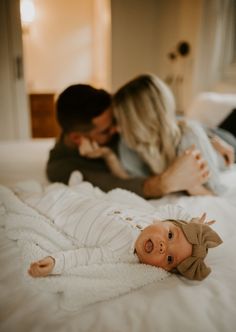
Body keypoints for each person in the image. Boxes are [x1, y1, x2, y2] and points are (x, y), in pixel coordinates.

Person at [27, 182, 222, 281]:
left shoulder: (122, 253)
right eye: (170, 235)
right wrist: (193, 222)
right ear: (165, 222)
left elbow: (85, 257)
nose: (164, 246)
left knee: (28, 199)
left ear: (165, 270)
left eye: (170, 259)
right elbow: (175, 210)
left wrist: (55, 262)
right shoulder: (154, 216)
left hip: (57, 212)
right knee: (68, 188)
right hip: (78, 199)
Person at [47, 84, 211, 198]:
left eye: (116, 120)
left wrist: (209, 136)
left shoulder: (113, 124)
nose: (117, 129)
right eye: (106, 130)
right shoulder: (61, 166)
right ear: (77, 138)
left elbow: (159, 120)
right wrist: (165, 183)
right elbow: (117, 185)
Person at [112, 74, 235, 195]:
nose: (116, 129)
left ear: (141, 120)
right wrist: (109, 157)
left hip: (226, 143)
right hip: (194, 130)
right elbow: (136, 184)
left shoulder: (189, 136)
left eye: (121, 121)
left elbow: (214, 191)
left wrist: (191, 186)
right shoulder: (128, 142)